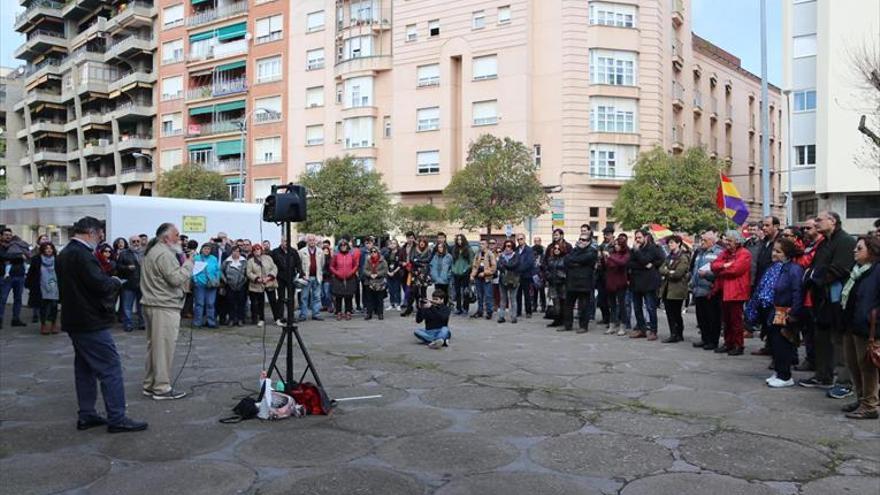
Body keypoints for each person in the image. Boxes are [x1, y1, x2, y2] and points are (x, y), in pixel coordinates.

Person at [56, 216, 147, 432]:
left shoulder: (66, 253)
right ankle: (117, 418)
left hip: (75, 318)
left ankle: (87, 414)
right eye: (100, 234)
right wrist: (115, 282)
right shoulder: (82, 255)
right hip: (90, 320)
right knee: (111, 368)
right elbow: (98, 284)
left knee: (85, 367)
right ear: (91, 232)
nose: (101, 238)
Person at [800, 211, 857, 398]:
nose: (816, 223)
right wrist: (812, 276)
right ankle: (822, 375)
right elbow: (814, 267)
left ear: (832, 221)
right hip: (821, 299)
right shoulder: (824, 242)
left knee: (841, 343)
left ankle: (844, 382)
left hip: (837, 300)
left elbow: (838, 269)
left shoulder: (846, 241)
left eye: (819, 220)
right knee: (821, 338)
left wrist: (815, 277)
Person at [140, 223, 194, 401]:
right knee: (163, 348)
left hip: (153, 303)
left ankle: (150, 384)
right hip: (163, 306)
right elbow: (175, 278)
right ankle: (162, 388)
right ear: (165, 238)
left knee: (154, 347)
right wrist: (188, 264)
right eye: (176, 235)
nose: (179, 239)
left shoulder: (154, 251)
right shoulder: (164, 254)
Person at [746, 237, 804, 388]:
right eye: (774, 250)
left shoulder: (794, 269)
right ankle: (779, 371)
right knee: (774, 343)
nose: (774, 254)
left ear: (787, 254)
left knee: (782, 343)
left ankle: (785, 375)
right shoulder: (772, 267)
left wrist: (794, 313)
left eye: (778, 251)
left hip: (784, 311)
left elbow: (797, 292)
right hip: (769, 310)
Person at [840, 236, 880, 419]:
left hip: (868, 327)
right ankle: (861, 398)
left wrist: (871, 318)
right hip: (851, 325)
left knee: (867, 367)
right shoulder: (857, 271)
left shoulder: (877, 271)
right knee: (853, 364)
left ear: (871, 251)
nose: (854, 251)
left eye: (859, 248)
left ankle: (870, 405)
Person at [710, 230, 752, 356]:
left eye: (729, 240)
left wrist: (721, 269)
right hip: (724, 290)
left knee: (736, 321)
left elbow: (735, 270)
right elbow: (713, 265)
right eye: (726, 240)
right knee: (726, 320)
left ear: (737, 242)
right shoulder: (726, 253)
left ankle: (738, 345)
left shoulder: (744, 253)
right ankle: (728, 343)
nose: (726, 242)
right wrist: (725, 265)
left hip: (736, 291)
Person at [628, 230, 665, 340]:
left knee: (650, 307)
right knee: (637, 307)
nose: (637, 240)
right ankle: (641, 329)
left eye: (639, 237)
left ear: (646, 237)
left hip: (649, 282)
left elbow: (652, 260)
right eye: (636, 237)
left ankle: (653, 330)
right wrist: (644, 265)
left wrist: (646, 261)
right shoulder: (634, 249)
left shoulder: (653, 248)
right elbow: (629, 263)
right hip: (636, 282)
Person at [690, 231, 723, 350]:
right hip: (698, 289)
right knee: (701, 317)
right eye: (701, 240)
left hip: (710, 289)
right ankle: (705, 338)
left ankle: (713, 341)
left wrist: (708, 275)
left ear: (712, 241)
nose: (702, 242)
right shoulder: (699, 252)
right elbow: (694, 268)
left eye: (704, 240)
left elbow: (719, 271)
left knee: (712, 317)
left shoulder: (719, 252)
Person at [659, 235, 692, 343]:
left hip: (677, 289)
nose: (670, 245)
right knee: (669, 312)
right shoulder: (669, 257)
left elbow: (678, 273)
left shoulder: (683, 257)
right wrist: (669, 272)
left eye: (672, 242)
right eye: (669, 243)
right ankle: (673, 333)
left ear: (678, 243)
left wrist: (667, 272)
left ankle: (678, 333)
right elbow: (661, 269)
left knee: (676, 313)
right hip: (667, 289)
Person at [563, 233, 598, 333]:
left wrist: (575, 262)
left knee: (583, 306)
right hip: (572, 281)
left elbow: (584, 259)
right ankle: (567, 325)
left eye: (584, 240)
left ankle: (583, 326)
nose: (581, 241)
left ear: (589, 242)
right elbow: (566, 259)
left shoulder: (592, 251)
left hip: (584, 283)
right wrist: (577, 263)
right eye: (580, 239)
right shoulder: (575, 250)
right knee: (568, 305)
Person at [25, 242, 60, 335]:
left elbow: (62, 272)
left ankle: (53, 324)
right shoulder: (37, 259)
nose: (49, 250)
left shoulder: (57, 259)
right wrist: (28, 284)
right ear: (43, 250)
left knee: (54, 305)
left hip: (54, 285)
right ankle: (44, 324)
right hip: (41, 285)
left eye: (51, 248)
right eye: (46, 248)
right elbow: (31, 272)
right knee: (43, 306)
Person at [247, 244, 282, 326]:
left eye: (258, 249)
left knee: (273, 301)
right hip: (258, 285)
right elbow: (249, 272)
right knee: (260, 303)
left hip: (269, 283)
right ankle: (261, 319)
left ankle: (277, 319)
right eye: (255, 250)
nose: (257, 251)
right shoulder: (250, 261)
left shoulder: (268, 258)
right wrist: (257, 278)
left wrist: (269, 277)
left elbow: (274, 268)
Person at [116, 236, 145, 333]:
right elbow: (118, 267)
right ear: (130, 242)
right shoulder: (124, 253)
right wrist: (127, 267)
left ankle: (142, 323)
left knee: (142, 306)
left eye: (138, 241)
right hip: (129, 283)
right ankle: (128, 324)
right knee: (127, 306)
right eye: (134, 241)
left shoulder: (144, 253)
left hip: (142, 283)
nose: (136, 243)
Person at [603, 234, 630, 335]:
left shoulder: (626, 254)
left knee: (622, 305)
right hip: (611, 282)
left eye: (618, 244)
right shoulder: (612, 254)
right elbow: (607, 265)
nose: (616, 246)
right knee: (612, 305)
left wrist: (610, 257)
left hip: (620, 282)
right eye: (615, 245)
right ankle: (612, 325)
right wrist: (604, 258)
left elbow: (622, 263)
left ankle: (623, 325)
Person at [271, 237, 302, 324]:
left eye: (287, 241)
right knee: (281, 298)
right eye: (284, 241)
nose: (286, 243)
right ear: (281, 242)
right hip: (280, 277)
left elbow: (298, 263)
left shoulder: (293, 251)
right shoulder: (275, 252)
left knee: (291, 298)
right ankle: (280, 317)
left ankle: (291, 316)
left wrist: (299, 273)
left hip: (291, 277)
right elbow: (272, 264)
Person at [192, 243, 221, 329]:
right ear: (202, 249)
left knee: (210, 304)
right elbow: (192, 270)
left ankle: (211, 322)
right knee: (199, 304)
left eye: (208, 249)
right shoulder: (196, 258)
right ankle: (197, 322)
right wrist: (195, 280)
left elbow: (217, 270)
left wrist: (217, 279)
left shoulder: (214, 259)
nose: (207, 250)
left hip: (211, 284)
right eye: (205, 249)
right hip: (200, 284)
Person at [402, 238, 432, 317]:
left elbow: (428, 259)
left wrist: (418, 261)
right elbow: (412, 260)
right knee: (412, 291)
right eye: (420, 242)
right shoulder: (414, 249)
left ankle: (423, 310)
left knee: (423, 292)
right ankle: (409, 308)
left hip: (424, 273)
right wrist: (421, 263)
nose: (422, 243)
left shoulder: (428, 250)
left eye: (423, 242)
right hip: (415, 272)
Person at [298, 234, 324, 321]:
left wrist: (319, 274)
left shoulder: (320, 251)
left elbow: (322, 264)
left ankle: (316, 314)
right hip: (306, 278)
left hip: (317, 277)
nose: (312, 242)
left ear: (316, 241)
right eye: (310, 240)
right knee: (304, 297)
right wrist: (302, 275)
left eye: (313, 240)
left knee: (317, 297)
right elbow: (299, 265)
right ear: (307, 241)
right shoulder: (301, 251)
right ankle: (303, 315)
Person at [330, 239, 358, 320]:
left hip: (350, 277)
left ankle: (348, 311)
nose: (343, 247)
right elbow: (331, 266)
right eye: (341, 246)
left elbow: (356, 265)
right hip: (338, 278)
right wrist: (337, 273)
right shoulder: (336, 255)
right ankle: (339, 312)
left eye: (345, 245)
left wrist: (351, 273)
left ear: (347, 246)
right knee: (338, 296)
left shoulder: (351, 255)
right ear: (339, 247)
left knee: (348, 296)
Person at [221, 246, 248, 326]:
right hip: (230, 285)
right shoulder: (227, 261)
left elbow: (247, 272)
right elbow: (221, 271)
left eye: (237, 251)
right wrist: (225, 280)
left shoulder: (244, 261)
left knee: (241, 303)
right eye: (234, 251)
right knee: (230, 303)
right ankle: (231, 319)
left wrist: (244, 280)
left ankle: (240, 319)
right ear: (231, 252)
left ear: (240, 252)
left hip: (241, 285)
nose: (236, 253)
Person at [470, 239, 497, 319]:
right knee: (479, 295)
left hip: (487, 278)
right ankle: (480, 311)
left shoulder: (490, 254)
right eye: (480, 244)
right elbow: (474, 266)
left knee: (488, 295)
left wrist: (485, 273)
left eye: (482, 244)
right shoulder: (478, 254)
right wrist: (472, 275)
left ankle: (489, 312)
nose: (481, 245)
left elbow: (494, 267)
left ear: (486, 245)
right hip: (478, 278)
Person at [496, 239, 520, 324]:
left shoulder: (516, 255)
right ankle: (501, 317)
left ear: (512, 247)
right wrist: (504, 265)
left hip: (513, 280)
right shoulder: (501, 256)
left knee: (513, 298)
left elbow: (513, 265)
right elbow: (498, 266)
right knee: (503, 299)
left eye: (509, 246)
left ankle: (513, 317)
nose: (507, 248)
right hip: (503, 280)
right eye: (506, 246)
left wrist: (505, 265)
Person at [544, 242, 568, 328]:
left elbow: (568, 270)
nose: (556, 250)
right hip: (553, 283)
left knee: (564, 302)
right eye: (555, 248)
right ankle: (557, 319)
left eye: (558, 248)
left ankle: (565, 320)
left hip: (562, 283)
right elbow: (546, 268)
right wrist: (548, 275)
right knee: (555, 302)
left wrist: (562, 276)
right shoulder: (550, 259)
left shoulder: (566, 259)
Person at [596, 226, 616, 327]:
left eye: (608, 234)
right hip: (601, 274)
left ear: (612, 234)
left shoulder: (615, 245)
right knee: (601, 298)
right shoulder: (602, 245)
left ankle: (613, 319)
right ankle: (605, 317)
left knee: (611, 299)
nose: (606, 236)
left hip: (611, 274)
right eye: (604, 234)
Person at [362, 246, 388, 320]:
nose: (373, 253)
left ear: (378, 252)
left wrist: (377, 274)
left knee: (379, 299)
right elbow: (364, 270)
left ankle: (380, 313)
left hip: (380, 282)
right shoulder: (368, 260)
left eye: (375, 251)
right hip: (369, 281)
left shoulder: (382, 260)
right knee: (369, 299)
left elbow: (385, 270)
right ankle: (369, 313)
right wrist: (370, 274)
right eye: (371, 252)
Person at [514, 234, 535, 318]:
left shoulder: (529, 250)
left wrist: (519, 269)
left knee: (527, 294)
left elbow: (529, 263)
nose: (520, 241)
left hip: (526, 275)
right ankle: (518, 311)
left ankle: (528, 312)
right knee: (517, 294)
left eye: (521, 239)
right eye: (518, 239)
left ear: (524, 239)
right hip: (517, 276)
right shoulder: (516, 249)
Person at [451, 234, 472, 315]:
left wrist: (466, 269)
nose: (459, 241)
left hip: (465, 273)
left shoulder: (468, 249)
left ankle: (465, 308)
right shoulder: (454, 249)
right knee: (457, 292)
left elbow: (471, 262)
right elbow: (453, 261)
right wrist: (453, 269)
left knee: (465, 292)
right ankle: (458, 308)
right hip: (456, 273)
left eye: (461, 239)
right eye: (458, 239)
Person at [384, 239, 404, 311]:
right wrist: (388, 272)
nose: (393, 245)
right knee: (390, 290)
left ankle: (398, 303)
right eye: (391, 243)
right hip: (389, 273)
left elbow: (400, 264)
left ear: (397, 244)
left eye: (394, 243)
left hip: (397, 273)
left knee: (397, 289)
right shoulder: (387, 253)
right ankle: (391, 303)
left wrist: (394, 272)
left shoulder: (400, 253)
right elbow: (385, 264)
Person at [531, 236, 547, 313]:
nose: (536, 242)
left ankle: (543, 306)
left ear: (540, 241)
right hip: (533, 273)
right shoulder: (532, 251)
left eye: (538, 241)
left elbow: (546, 263)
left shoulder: (544, 251)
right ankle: (534, 305)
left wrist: (541, 265)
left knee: (542, 291)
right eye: (535, 241)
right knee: (534, 291)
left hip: (541, 274)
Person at [321, 244, 335, 314]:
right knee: (322, 294)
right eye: (324, 251)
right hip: (321, 278)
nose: (325, 252)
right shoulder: (320, 258)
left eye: (327, 251)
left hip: (327, 278)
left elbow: (331, 269)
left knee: (327, 293)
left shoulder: (330, 259)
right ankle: (324, 305)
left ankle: (330, 305)